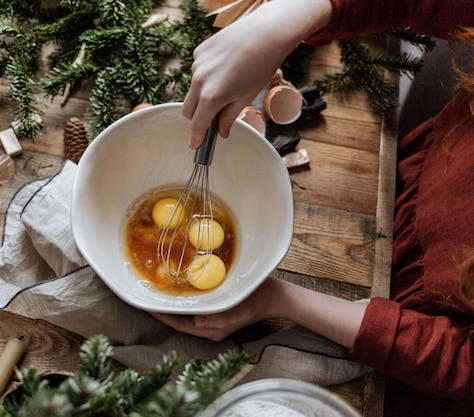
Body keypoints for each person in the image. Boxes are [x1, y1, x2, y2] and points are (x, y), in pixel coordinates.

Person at [151, 0, 474, 416]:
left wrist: (279, 300)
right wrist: (295, 14)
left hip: (404, 373)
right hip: (411, 185)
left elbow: (461, 361)